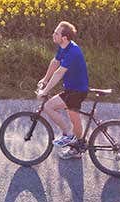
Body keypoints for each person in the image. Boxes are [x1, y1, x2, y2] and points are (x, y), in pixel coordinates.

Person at [36, 20, 89, 159]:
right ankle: (78, 146)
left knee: (48, 107)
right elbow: (55, 62)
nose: (53, 34)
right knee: (74, 119)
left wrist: (45, 91)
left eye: (56, 33)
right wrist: (45, 79)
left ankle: (68, 135)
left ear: (64, 37)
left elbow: (59, 73)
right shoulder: (64, 47)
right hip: (73, 89)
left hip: (76, 91)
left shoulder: (73, 51)